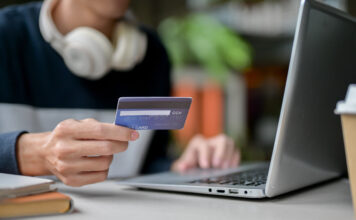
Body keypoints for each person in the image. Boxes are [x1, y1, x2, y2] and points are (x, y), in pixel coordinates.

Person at [0, 0, 240, 187]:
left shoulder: (152, 55)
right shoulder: (6, 36)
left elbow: (147, 163)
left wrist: (184, 165)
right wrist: (30, 153)